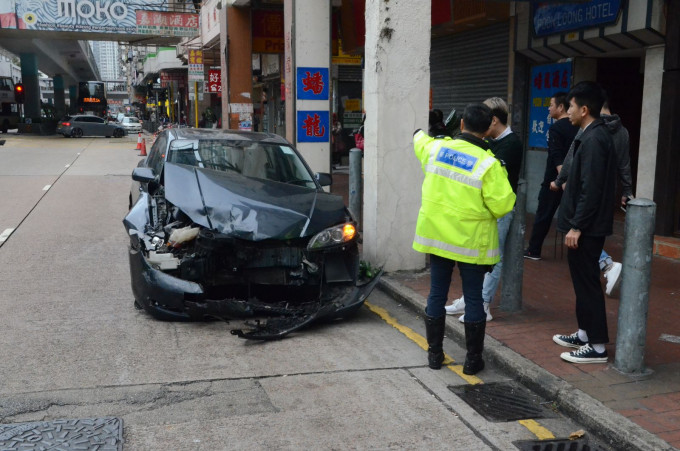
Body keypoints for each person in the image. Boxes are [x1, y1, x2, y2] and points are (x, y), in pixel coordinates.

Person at [413, 104, 515, 374]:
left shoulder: (436, 149)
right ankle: (472, 361)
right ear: (488, 129)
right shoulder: (489, 164)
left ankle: (434, 355)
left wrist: (420, 132)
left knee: (436, 294)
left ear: (460, 125)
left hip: (438, 239)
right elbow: (503, 206)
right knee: (473, 299)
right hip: (472, 244)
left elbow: (419, 140)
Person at [553, 81, 617, 364]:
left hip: (586, 228)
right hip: (582, 225)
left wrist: (577, 225)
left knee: (588, 284)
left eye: (571, 107)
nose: (567, 112)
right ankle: (584, 333)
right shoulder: (589, 135)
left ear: (585, 109)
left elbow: (591, 189)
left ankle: (598, 347)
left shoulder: (594, 140)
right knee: (581, 282)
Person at [446, 97, 524, 322]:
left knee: (493, 257)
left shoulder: (511, 144)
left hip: (499, 210)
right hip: (482, 209)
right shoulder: (490, 141)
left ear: (494, 121)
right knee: (476, 255)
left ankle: (483, 304)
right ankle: (470, 299)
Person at [551, 100, 632, 297]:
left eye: (573, 106)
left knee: (579, 232)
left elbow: (571, 156)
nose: (571, 110)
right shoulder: (622, 132)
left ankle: (607, 266)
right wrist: (627, 190)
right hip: (606, 191)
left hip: (584, 188)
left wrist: (559, 180)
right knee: (591, 236)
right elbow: (624, 164)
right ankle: (605, 268)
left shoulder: (591, 129)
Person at [524, 92, 579, 260]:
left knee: (544, 214)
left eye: (551, 105)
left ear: (561, 107)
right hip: (574, 178)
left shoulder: (556, 128)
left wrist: (561, 179)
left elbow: (557, 155)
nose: (548, 108)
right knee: (575, 218)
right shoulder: (579, 127)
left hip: (555, 180)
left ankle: (534, 250)